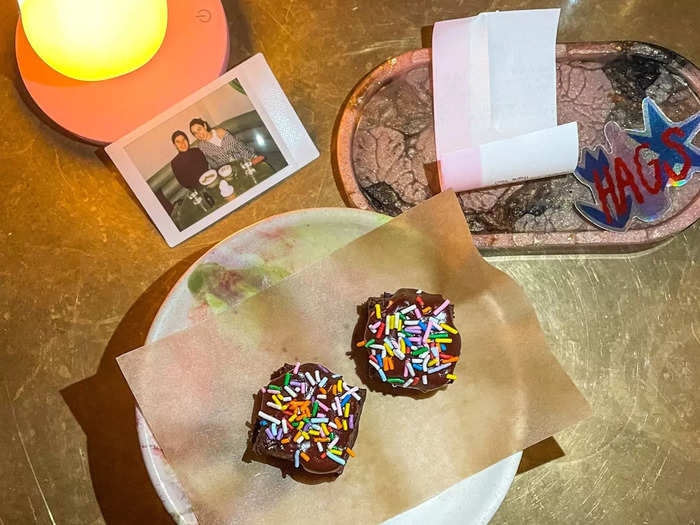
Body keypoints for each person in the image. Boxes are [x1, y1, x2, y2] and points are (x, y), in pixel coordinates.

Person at [189, 118, 263, 169]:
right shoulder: (202, 146)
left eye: (199, 129)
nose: (199, 134)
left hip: (245, 160)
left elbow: (239, 146)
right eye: (195, 133)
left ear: (204, 126)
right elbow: (213, 163)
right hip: (230, 170)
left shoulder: (221, 132)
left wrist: (253, 158)